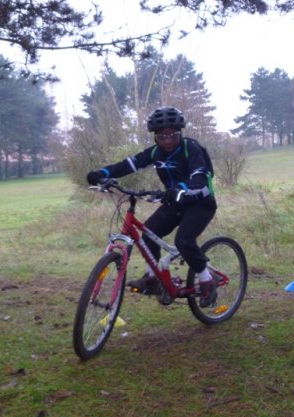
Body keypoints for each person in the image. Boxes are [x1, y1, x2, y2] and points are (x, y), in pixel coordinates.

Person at [86, 106, 218, 307]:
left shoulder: (190, 148)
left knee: (183, 240)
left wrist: (181, 188)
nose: (167, 141)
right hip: (174, 202)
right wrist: (102, 173)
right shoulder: (156, 152)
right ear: (155, 137)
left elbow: (199, 177)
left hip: (200, 203)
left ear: (180, 133)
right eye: (161, 136)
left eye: (172, 135)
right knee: (147, 234)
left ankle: (207, 279)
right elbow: (129, 164)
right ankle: (152, 277)